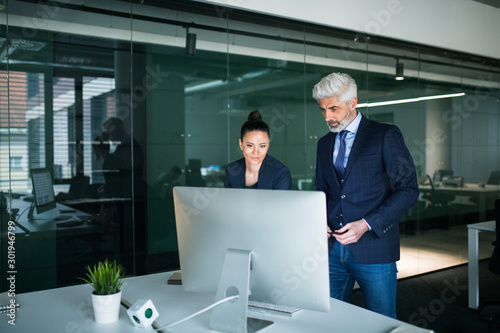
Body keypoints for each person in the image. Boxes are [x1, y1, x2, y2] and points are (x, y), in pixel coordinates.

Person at [312, 73, 419, 318]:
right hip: (332, 250)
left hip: (374, 248)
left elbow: (408, 189)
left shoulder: (384, 135)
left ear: (353, 103)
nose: (327, 117)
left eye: (334, 108)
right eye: (323, 110)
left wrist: (366, 224)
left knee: (381, 321)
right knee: (325, 320)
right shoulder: (323, 144)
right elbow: (322, 191)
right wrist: (319, 219)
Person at [224, 110, 292, 190]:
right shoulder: (232, 170)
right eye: (250, 145)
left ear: (268, 144)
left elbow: (280, 202)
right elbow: (227, 201)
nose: (256, 152)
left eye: (262, 146)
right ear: (241, 144)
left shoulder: (280, 173)